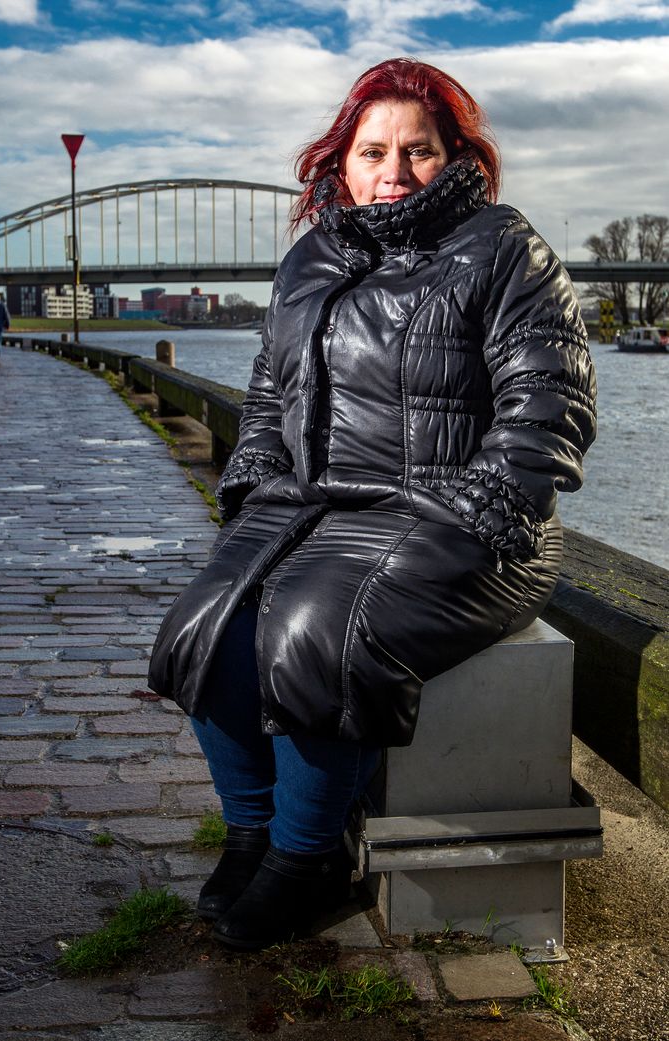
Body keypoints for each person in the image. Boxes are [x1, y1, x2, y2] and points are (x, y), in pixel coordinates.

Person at [149, 58, 596, 951]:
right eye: (374, 150)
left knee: (318, 628)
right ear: (340, 164)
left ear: (455, 156)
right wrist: (258, 500)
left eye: (419, 150)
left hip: (468, 521)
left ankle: (308, 858)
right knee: (206, 623)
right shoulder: (310, 258)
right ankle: (253, 833)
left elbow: (549, 404)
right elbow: (269, 402)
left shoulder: (505, 248)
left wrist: (477, 510)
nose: (395, 170)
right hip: (319, 509)